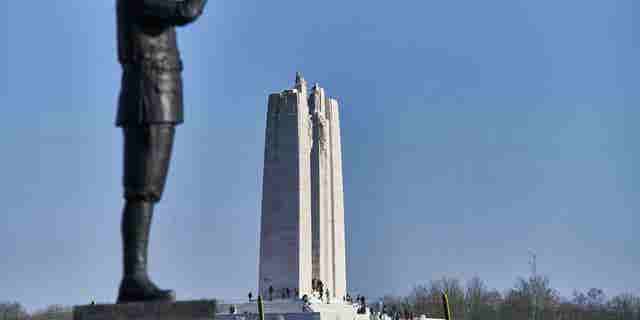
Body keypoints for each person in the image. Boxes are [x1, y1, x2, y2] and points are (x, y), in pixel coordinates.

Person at [115, 0, 208, 303]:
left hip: (162, 88)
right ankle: (133, 277)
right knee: (142, 190)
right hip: (148, 88)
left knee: (149, 191)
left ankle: (135, 275)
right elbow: (185, 11)